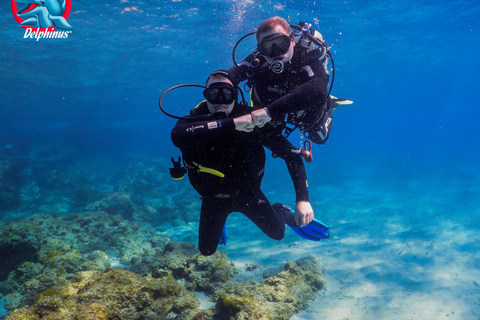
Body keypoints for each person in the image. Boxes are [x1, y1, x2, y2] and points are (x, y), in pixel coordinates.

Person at [171, 70, 328, 256]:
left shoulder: (254, 119)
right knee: (206, 251)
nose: (220, 100)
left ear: (235, 96)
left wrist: (303, 199)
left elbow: (291, 156)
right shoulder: (194, 120)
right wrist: (232, 123)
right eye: (213, 94)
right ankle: (220, 220)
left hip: (249, 195)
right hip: (213, 199)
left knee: (277, 234)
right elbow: (177, 136)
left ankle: (280, 210)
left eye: (227, 94)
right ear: (205, 96)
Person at [228, 16, 333, 144]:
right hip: (270, 115)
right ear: (260, 49)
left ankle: (330, 104)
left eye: (281, 43)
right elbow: (229, 75)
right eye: (268, 47)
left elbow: (318, 88)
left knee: (319, 138)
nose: (276, 51)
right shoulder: (258, 59)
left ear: (292, 40)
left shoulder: (305, 56)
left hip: (301, 114)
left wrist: (269, 112)